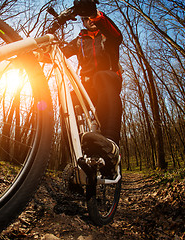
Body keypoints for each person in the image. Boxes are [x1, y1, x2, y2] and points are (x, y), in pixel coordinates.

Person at [63, 0, 123, 177]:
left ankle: (111, 147)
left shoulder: (106, 33)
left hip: (108, 80)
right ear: (82, 22)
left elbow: (117, 35)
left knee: (101, 77)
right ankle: (75, 160)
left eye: (90, 17)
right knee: (66, 102)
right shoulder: (79, 40)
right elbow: (60, 52)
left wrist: (95, 14)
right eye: (85, 18)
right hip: (87, 87)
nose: (88, 20)